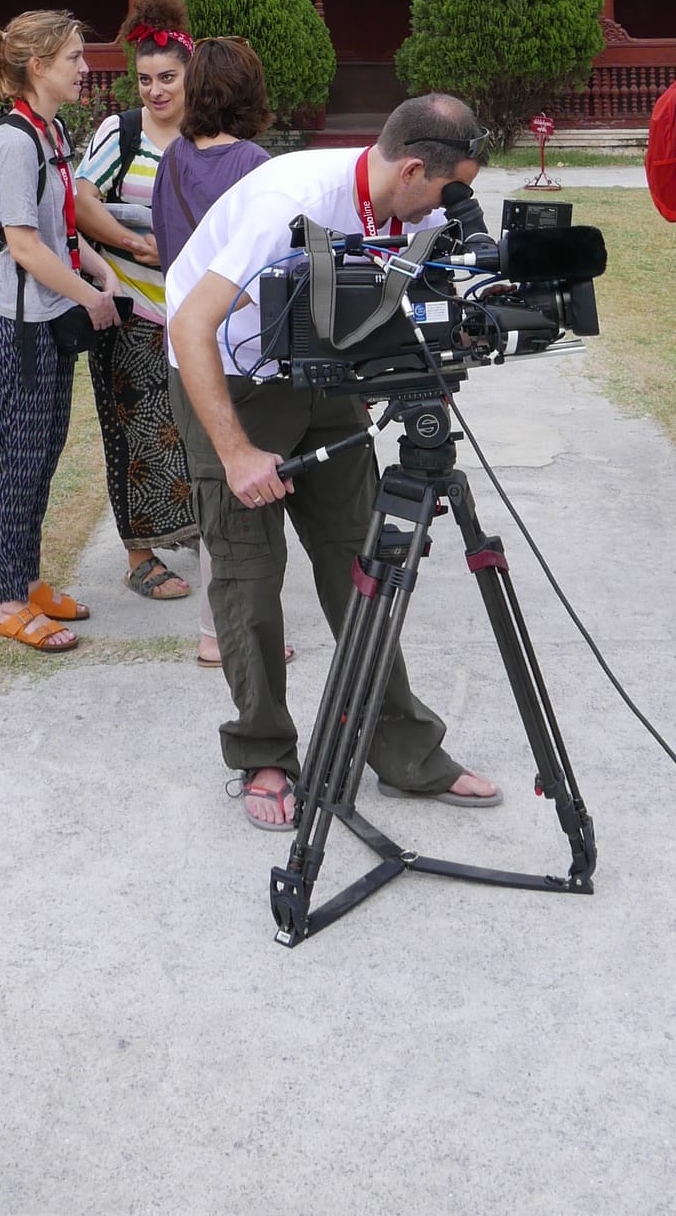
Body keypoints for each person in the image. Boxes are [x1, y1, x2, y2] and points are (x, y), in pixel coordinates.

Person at [164, 93, 502, 830]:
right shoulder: (291, 199)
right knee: (249, 576)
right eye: (447, 191)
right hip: (230, 377)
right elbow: (189, 321)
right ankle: (263, 754)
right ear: (412, 167)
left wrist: (430, 402)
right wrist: (236, 450)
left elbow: (424, 305)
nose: (451, 209)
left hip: (325, 370)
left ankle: (406, 751)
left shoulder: (424, 207)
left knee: (362, 560)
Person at [0, 10, 121, 652]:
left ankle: (28, 583)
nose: (85, 70)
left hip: (50, 316)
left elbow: (62, 228)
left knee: (43, 453)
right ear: (38, 68)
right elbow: (25, 247)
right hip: (16, 324)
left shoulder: (51, 131)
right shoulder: (11, 143)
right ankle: (7, 602)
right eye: (74, 60)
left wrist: (101, 274)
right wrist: (92, 296)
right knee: (14, 460)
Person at [148, 35, 274, 670]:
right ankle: (240, 631)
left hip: (186, 335)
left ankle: (210, 630)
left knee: (214, 490)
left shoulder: (172, 158)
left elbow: (169, 243)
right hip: (245, 340)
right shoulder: (255, 161)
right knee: (253, 490)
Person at [73, 0, 197, 601]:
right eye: (146, 79)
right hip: (132, 307)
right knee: (136, 432)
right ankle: (140, 555)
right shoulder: (118, 134)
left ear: (189, 74)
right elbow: (81, 201)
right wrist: (134, 243)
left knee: (191, 425)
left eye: (167, 77)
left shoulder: (207, 136)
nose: (156, 91)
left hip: (197, 313)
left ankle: (191, 528)